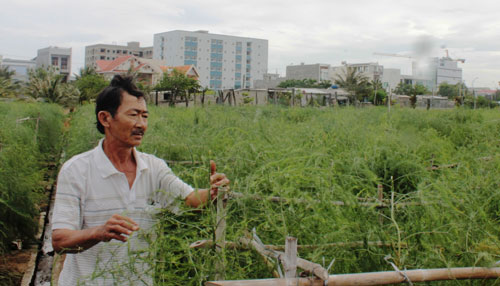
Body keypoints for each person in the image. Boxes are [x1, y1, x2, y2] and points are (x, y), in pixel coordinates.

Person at [51, 75, 229, 285]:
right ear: (105, 118)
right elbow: (60, 240)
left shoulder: (154, 168)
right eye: (133, 115)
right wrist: (99, 232)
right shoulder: (76, 170)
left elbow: (188, 200)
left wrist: (212, 191)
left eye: (145, 116)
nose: (141, 124)